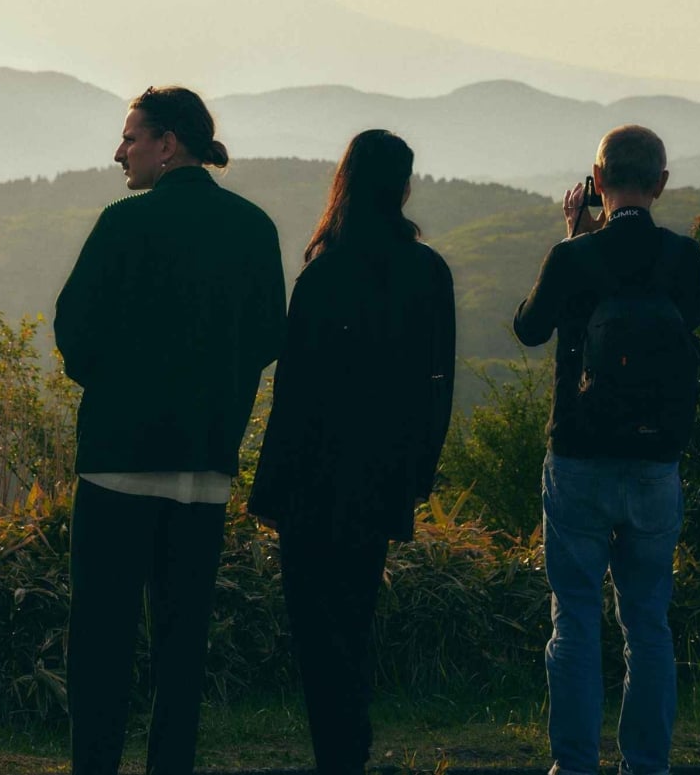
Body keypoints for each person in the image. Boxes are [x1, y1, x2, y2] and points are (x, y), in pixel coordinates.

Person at [54, 86, 287, 775]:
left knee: (101, 641)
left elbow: (74, 330)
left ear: (168, 143)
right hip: (204, 470)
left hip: (116, 464)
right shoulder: (253, 228)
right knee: (182, 648)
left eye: (130, 137)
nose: (119, 151)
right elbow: (270, 334)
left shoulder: (124, 224)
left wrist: (116, 384)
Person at [248, 129, 455, 775]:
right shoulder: (428, 271)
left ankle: (337, 751)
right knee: (356, 613)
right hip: (384, 473)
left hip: (312, 476)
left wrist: (269, 488)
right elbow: (437, 382)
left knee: (314, 625)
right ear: (403, 185)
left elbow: (294, 393)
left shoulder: (323, 273)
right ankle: (350, 748)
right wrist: (420, 470)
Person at [513, 124, 700, 775]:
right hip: (656, 464)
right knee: (647, 623)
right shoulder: (684, 257)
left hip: (579, 458)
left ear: (596, 184)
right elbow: (693, 321)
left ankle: (573, 765)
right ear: (660, 183)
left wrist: (573, 238)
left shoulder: (577, 256)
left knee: (574, 620)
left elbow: (529, 327)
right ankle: (646, 765)